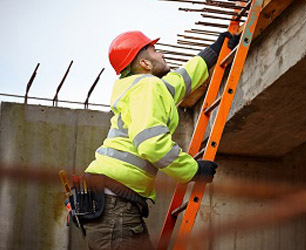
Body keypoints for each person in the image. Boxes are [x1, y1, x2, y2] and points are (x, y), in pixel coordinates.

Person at [82, 30, 240, 250]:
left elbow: (179, 82)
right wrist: (192, 170)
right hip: (116, 208)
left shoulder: (142, 88)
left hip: (111, 205)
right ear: (145, 63)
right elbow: (152, 144)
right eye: (154, 50)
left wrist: (212, 52)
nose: (161, 53)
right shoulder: (148, 87)